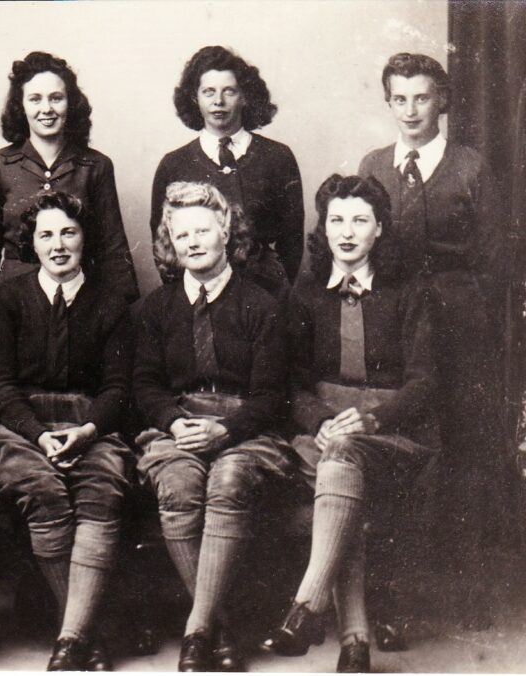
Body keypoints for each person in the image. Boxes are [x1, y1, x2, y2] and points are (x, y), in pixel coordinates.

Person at [260, 175, 437, 673]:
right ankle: (354, 642)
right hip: (328, 437)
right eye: (336, 219)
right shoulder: (307, 292)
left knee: (342, 469)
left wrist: (373, 417)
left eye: (360, 220)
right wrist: (320, 420)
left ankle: (309, 607)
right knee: (341, 478)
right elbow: (292, 383)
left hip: (394, 435)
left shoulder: (409, 291)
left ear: (380, 228)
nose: (347, 231)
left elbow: (425, 383)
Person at [357, 52, 505, 628]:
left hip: (460, 330)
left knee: (464, 455)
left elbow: (495, 263)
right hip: (398, 332)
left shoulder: (471, 167)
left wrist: (473, 325)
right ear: (388, 103)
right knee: (404, 455)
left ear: (441, 101)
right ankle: (393, 604)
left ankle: (463, 600)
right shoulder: (375, 165)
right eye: (400, 98)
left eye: (422, 97)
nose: (411, 109)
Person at [134, 181, 292, 672]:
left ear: (226, 230)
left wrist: (225, 431)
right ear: (169, 242)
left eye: (203, 230)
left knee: (227, 482)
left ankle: (196, 630)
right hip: (179, 427)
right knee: (178, 486)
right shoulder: (155, 309)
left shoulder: (261, 304)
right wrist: (174, 422)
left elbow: (271, 395)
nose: (193, 243)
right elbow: (144, 384)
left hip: (243, 430)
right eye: (182, 236)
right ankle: (219, 628)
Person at [0, 191, 133, 671]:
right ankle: (93, 631)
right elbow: (3, 387)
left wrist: (88, 431)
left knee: (101, 491)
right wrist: (38, 434)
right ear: (32, 242)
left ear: (84, 237)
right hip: (25, 426)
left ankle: (70, 638)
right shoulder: (8, 300)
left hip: (92, 422)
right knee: (42, 489)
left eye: (68, 232)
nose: (58, 244)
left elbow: (117, 389)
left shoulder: (111, 302)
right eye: (45, 234)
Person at [0, 51, 139, 317]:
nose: (47, 109)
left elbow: (113, 253)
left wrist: (114, 314)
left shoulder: (96, 166)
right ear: (21, 106)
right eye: (35, 99)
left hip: (83, 302)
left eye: (56, 98)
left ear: (71, 104)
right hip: (14, 306)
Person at [150, 45, 303, 299]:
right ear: (194, 98)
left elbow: (292, 241)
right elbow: (164, 246)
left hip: (266, 297)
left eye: (229, 91)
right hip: (200, 300)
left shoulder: (277, 157)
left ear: (245, 96)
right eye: (208, 92)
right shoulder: (173, 165)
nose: (218, 101)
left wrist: (272, 297)